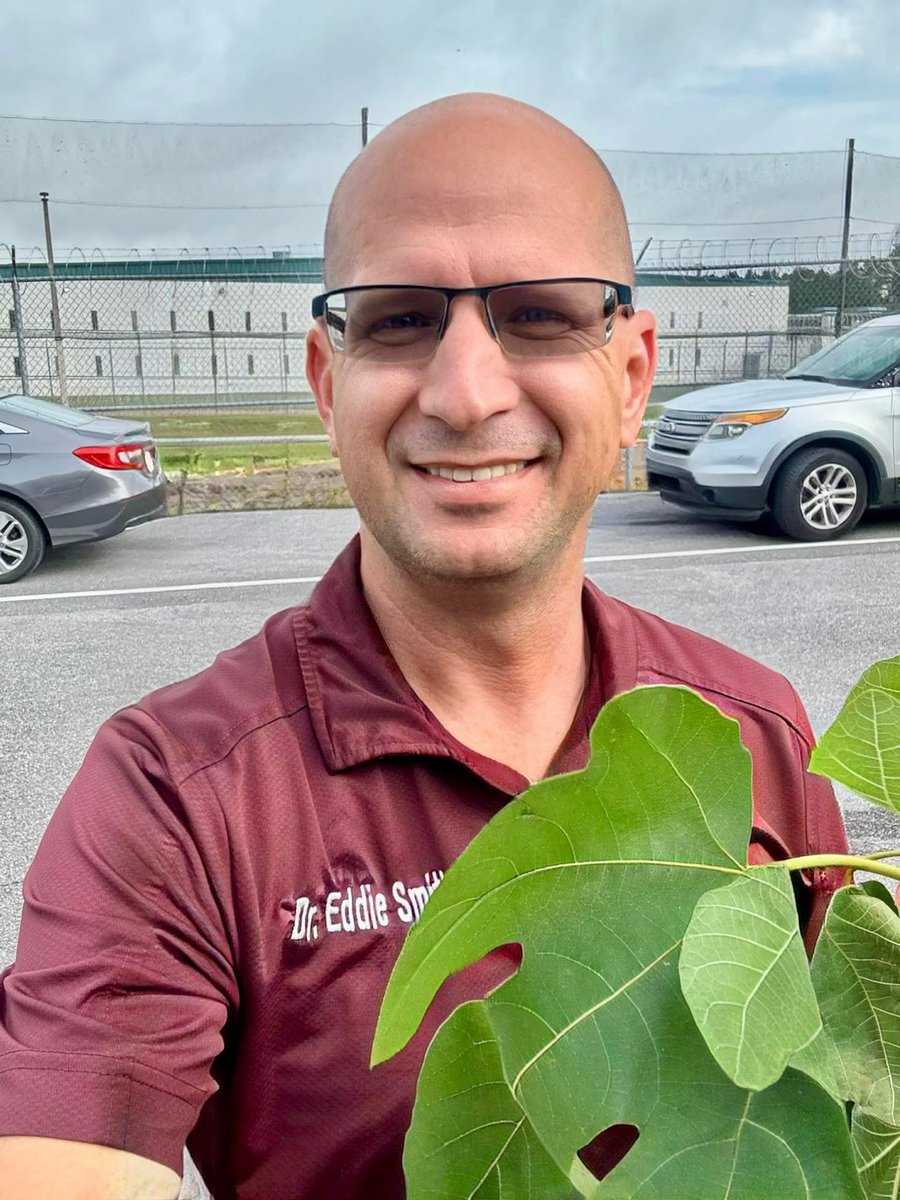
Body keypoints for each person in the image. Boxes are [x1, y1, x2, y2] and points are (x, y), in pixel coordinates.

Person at [0, 93, 848, 1200]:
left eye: (540, 315)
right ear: (324, 381)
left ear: (633, 376)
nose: (464, 392)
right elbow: (63, 1156)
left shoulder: (755, 735)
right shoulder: (179, 795)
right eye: (399, 319)